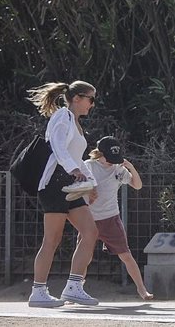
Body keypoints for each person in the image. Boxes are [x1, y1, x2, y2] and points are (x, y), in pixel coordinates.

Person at [26, 81, 100, 308]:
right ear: (77, 98)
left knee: (90, 232)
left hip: (70, 183)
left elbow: (77, 157)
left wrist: (91, 183)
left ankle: (74, 287)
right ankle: (38, 291)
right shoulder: (62, 116)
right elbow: (57, 147)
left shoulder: (76, 123)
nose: (92, 104)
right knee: (52, 239)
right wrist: (74, 170)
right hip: (54, 183)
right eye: (91, 99)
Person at [80, 136, 154, 300]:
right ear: (99, 154)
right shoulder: (88, 166)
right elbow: (77, 187)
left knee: (126, 255)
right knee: (84, 256)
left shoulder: (118, 168)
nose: (112, 162)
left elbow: (137, 185)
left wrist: (131, 167)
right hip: (89, 219)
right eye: (109, 158)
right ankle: (76, 289)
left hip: (110, 218)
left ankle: (142, 289)